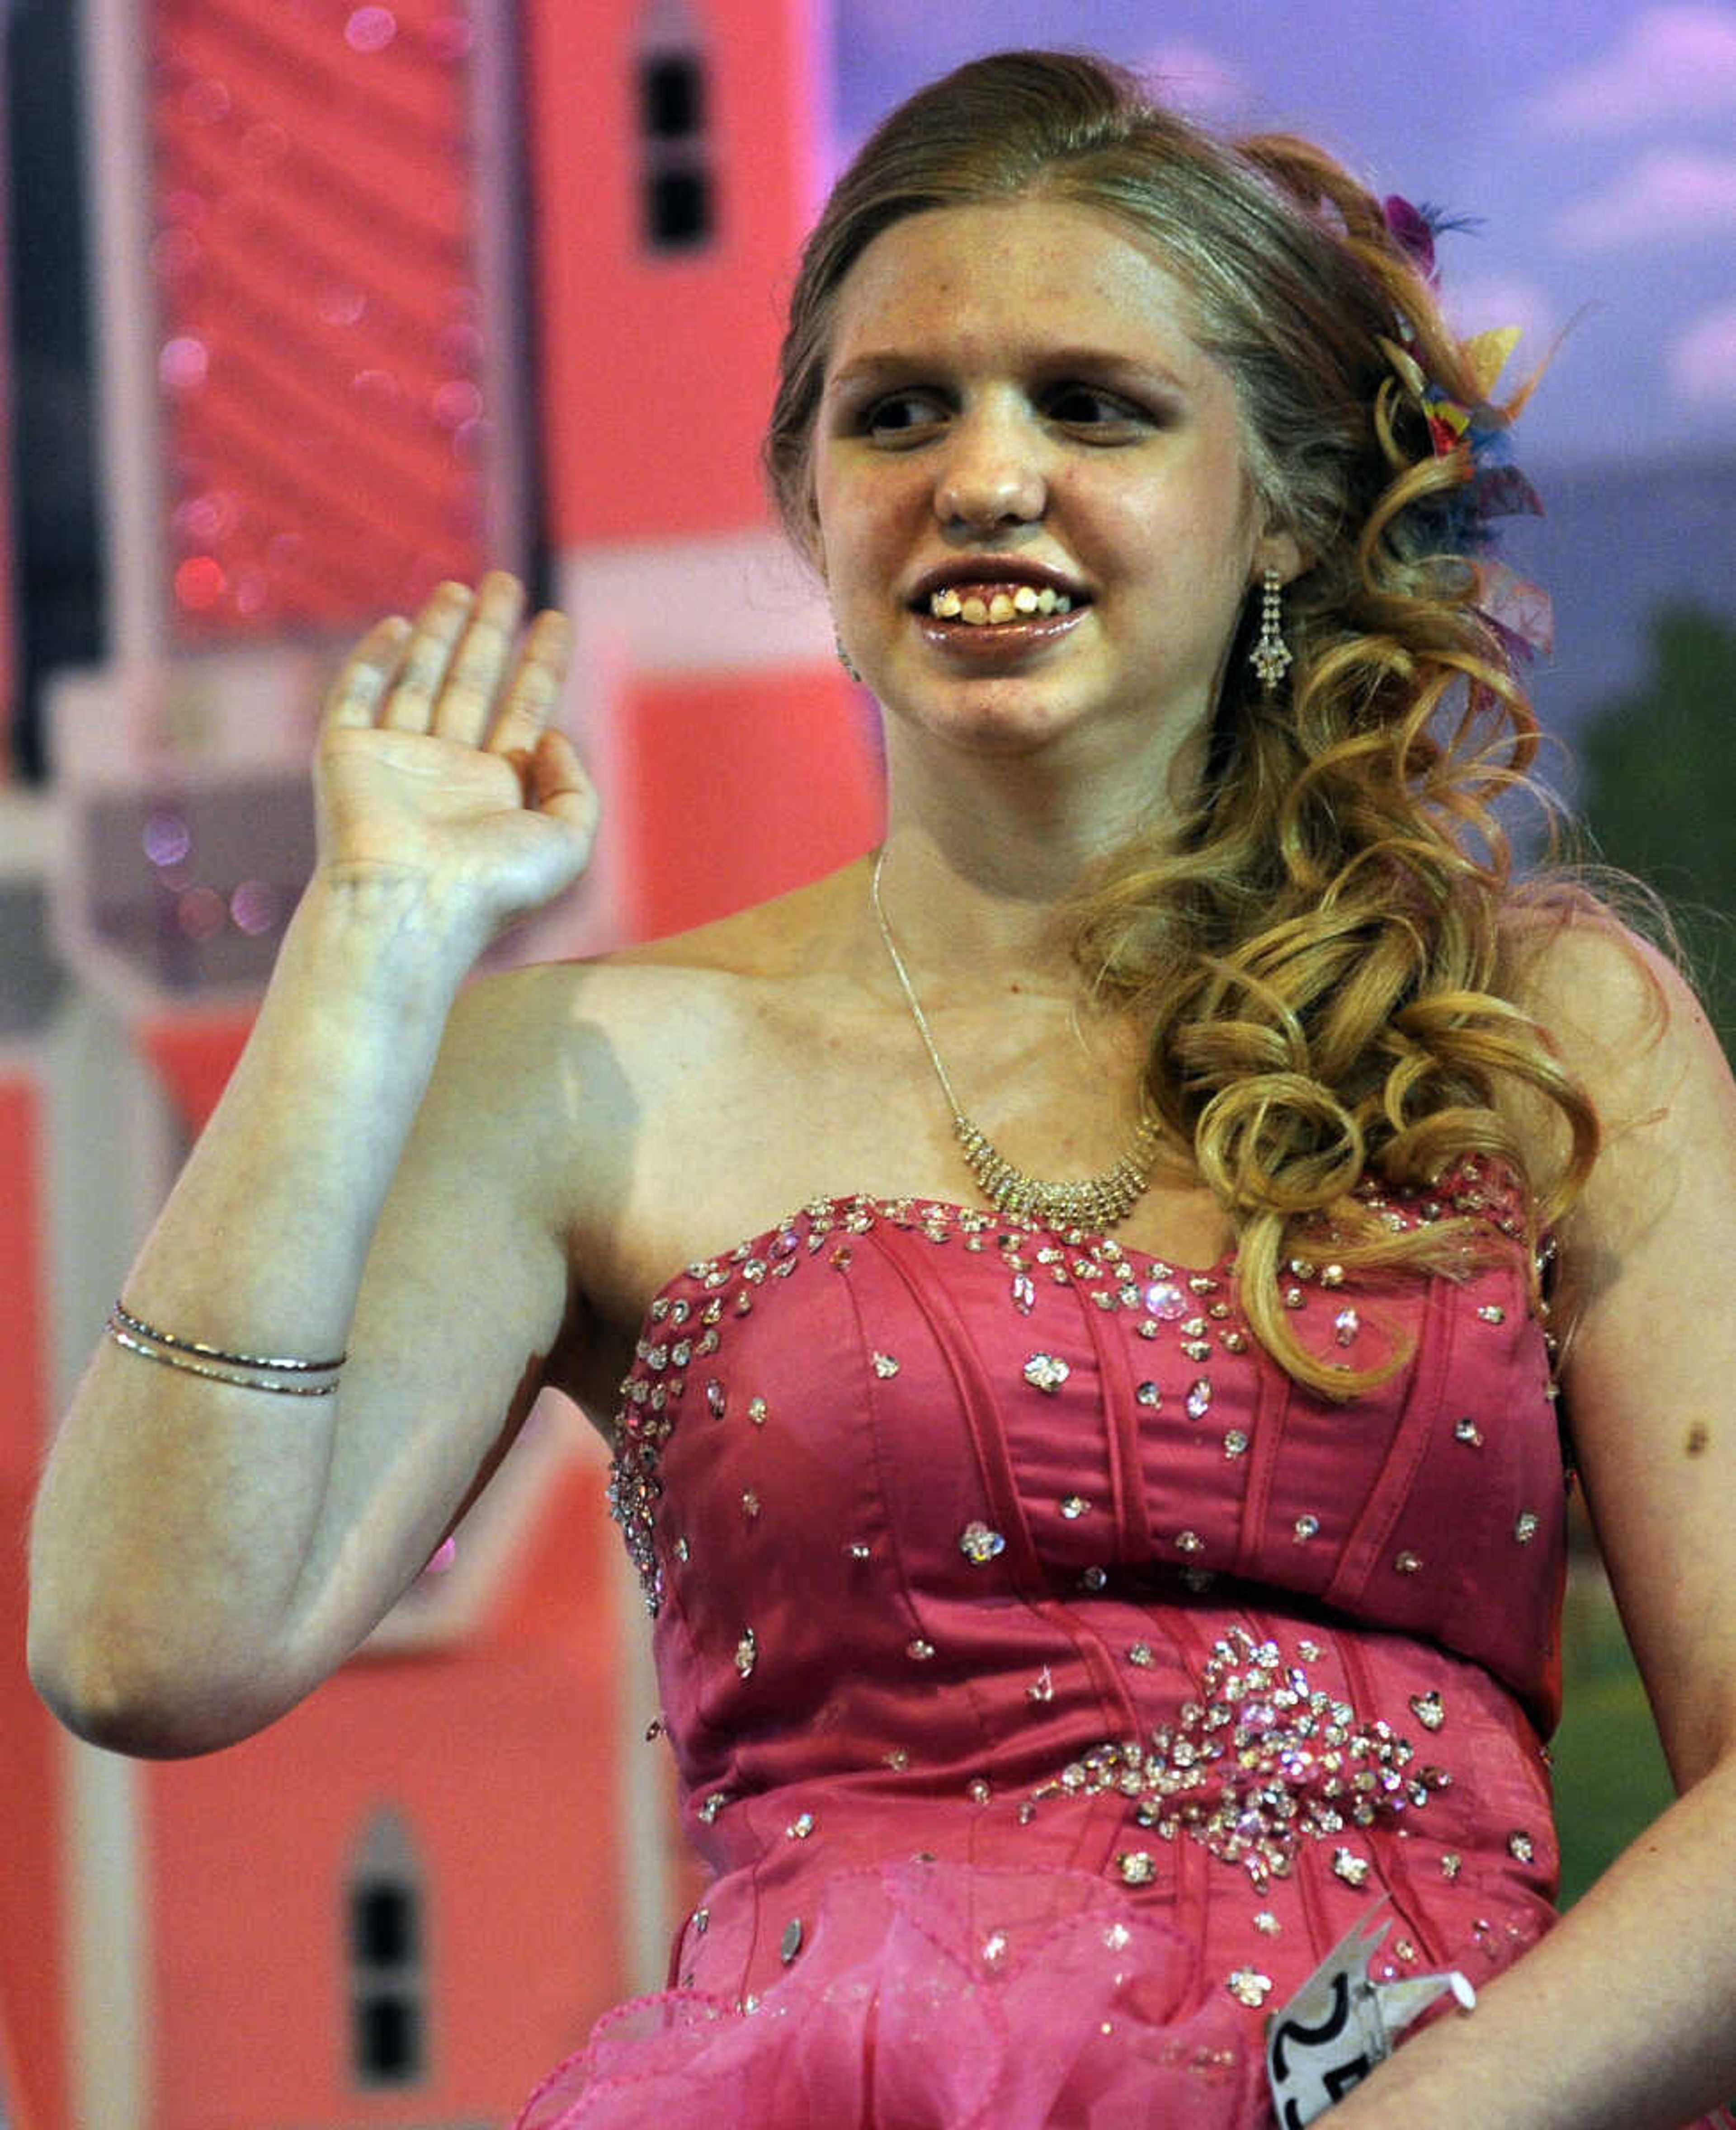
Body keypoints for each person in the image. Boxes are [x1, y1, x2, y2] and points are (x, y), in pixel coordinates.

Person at [28, 47, 1736, 2130]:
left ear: (1276, 500)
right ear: (808, 501)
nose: (983, 475)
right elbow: (142, 1643)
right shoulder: (588, 1067)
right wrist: (368, 950)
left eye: (1093, 405)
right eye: (898, 411)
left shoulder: (1538, 1029)